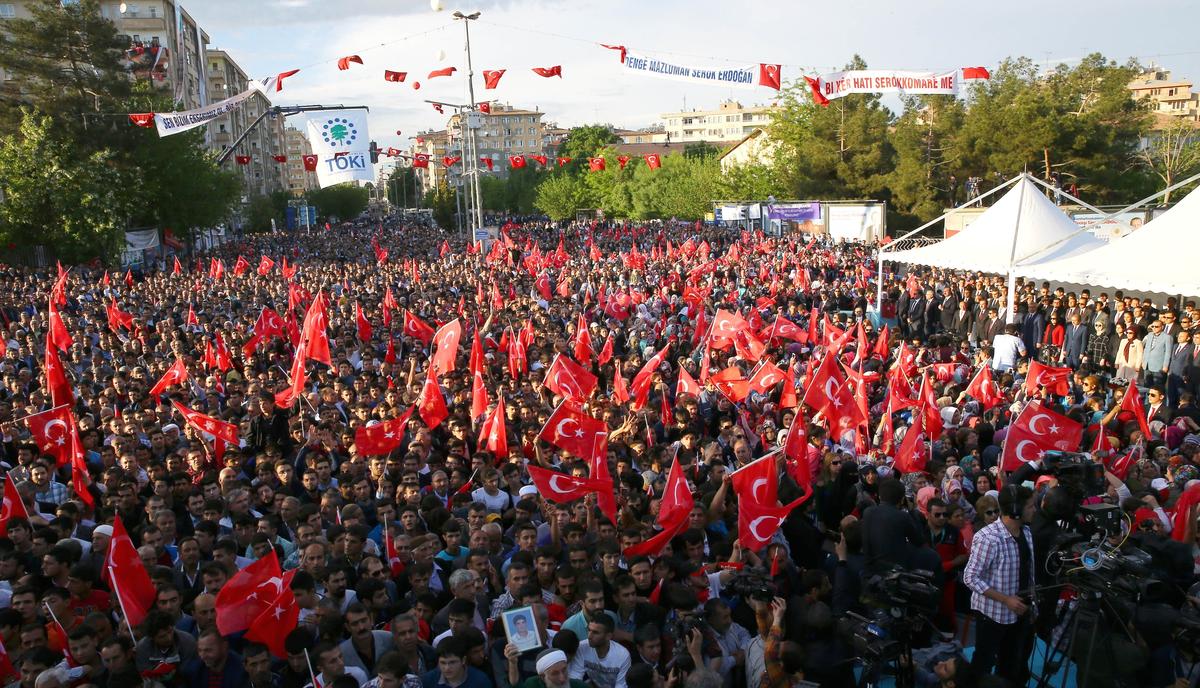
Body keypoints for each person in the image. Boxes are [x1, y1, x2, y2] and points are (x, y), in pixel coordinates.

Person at [962, 485, 1037, 684]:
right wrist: (1006, 600)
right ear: (1015, 510)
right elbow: (970, 577)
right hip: (992, 613)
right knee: (983, 663)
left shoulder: (1026, 532)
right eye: (1030, 506)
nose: (1034, 510)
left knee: (1010, 661)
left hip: (1019, 612)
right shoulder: (988, 538)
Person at [568, 615, 630, 688]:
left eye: (595, 632)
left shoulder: (622, 655)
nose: (589, 636)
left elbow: (621, 686)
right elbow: (576, 679)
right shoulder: (582, 647)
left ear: (608, 636)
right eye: (589, 630)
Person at [421, 637, 491, 688]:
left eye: (452, 662)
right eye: (443, 663)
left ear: (463, 660)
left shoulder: (480, 681)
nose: (447, 668)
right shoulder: (428, 680)